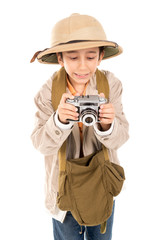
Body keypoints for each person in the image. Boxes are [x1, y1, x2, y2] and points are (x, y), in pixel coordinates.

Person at [31, 13, 129, 240]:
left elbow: (122, 137)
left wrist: (107, 125)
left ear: (101, 57)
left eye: (91, 57)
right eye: (73, 57)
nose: (82, 66)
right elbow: (40, 144)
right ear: (60, 59)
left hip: (102, 185)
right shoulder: (47, 92)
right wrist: (59, 122)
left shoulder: (110, 84)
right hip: (62, 188)